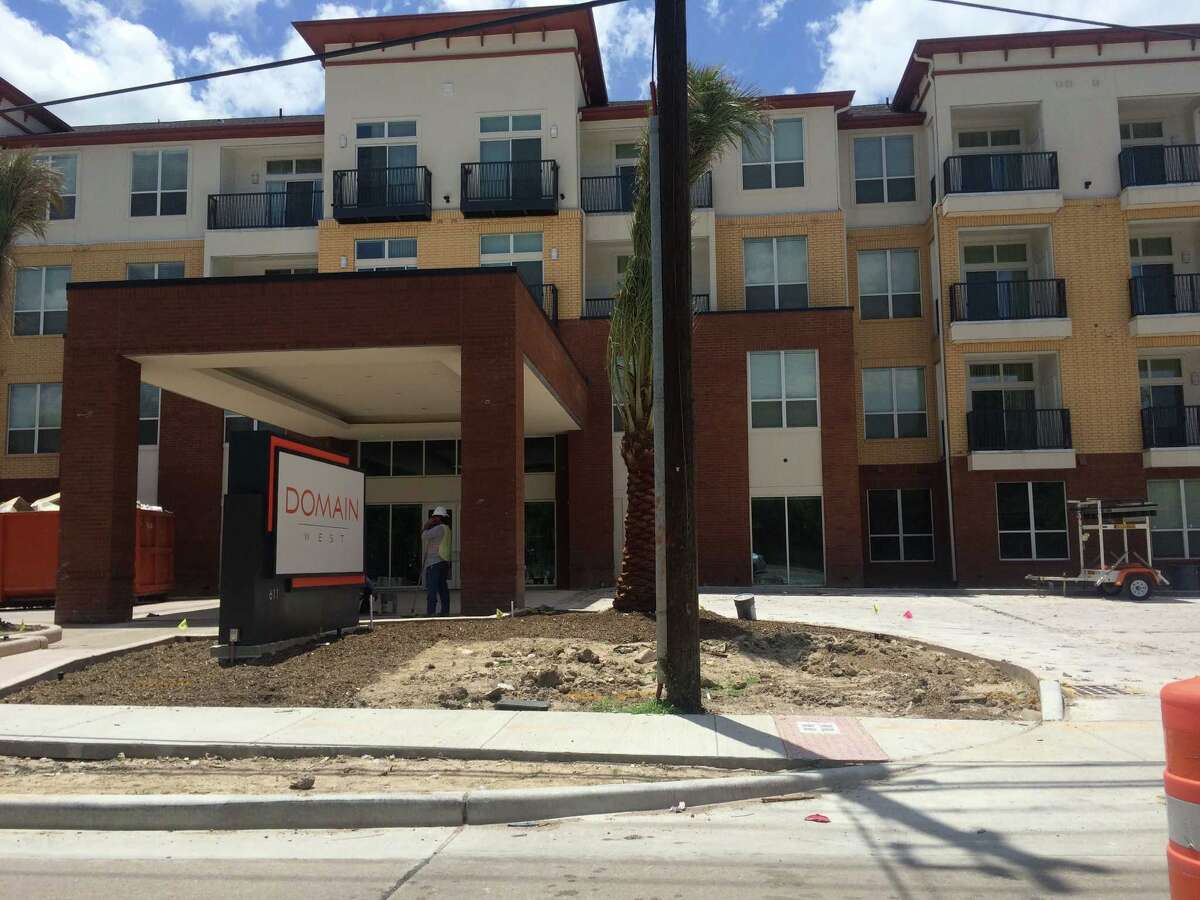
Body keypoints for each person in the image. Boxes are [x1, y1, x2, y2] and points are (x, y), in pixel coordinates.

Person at [421, 507, 452, 616]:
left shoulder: (438, 529)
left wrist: (427, 525)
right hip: (444, 562)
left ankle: (431, 612)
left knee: (432, 588)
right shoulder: (447, 529)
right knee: (443, 588)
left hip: (434, 562)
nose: (433, 519)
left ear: (439, 518)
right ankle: (445, 611)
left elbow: (424, 536)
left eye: (434, 517)